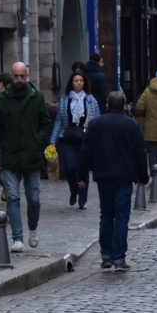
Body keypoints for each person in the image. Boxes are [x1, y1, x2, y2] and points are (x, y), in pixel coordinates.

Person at [76, 91, 150, 272]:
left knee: (106, 215)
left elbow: (85, 152)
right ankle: (119, 257)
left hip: (103, 175)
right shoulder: (132, 125)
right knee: (122, 217)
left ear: (107, 106)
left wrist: (81, 176)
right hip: (124, 175)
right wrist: (143, 176)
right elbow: (140, 152)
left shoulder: (95, 124)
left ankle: (107, 255)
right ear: (124, 106)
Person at [0, 61, 53, 253]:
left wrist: (36, 140)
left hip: (31, 156)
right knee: (13, 198)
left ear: (27, 76)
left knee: (34, 199)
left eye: (22, 76)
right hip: (9, 156)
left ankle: (33, 228)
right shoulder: (1, 100)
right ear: (11, 75)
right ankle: (17, 237)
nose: (19, 79)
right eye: (16, 76)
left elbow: (45, 123)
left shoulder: (36, 97)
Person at [51, 70, 101, 211]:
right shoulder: (64, 100)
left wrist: (97, 139)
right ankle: (74, 189)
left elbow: (96, 121)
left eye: (81, 81)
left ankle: (82, 199)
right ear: (71, 83)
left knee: (83, 168)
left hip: (85, 138)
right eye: (76, 81)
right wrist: (52, 140)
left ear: (84, 83)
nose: (78, 83)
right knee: (70, 167)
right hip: (67, 137)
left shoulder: (91, 100)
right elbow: (59, 122)